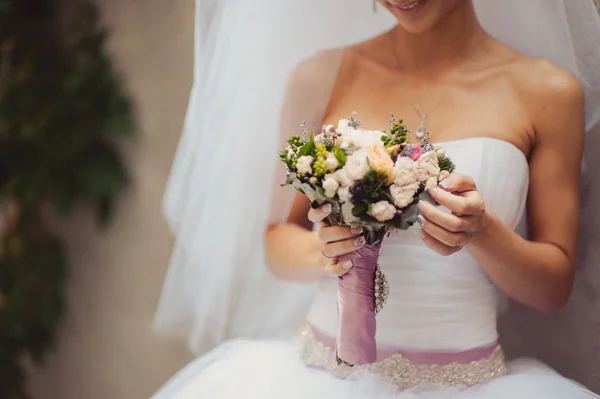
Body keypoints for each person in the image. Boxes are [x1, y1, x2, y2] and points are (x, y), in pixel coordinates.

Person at [152, 0, 600, 397]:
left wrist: (483, 234)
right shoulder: (318, 77)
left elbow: (552, 288)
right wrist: (323, 248)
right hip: (319, 378)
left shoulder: (549, 93)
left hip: (471, 380)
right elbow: (276, 242)